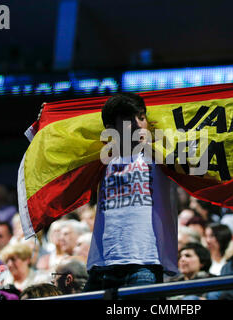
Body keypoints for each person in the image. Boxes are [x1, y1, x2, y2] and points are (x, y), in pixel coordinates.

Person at [84, 92, 178, 292]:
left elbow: (192, 161)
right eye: (128, 120)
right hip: (103, 265)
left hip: (145, 263)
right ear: (111, 129)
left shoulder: (161, 155)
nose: (138, 125)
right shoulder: (100, 160)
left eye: (141, 117)